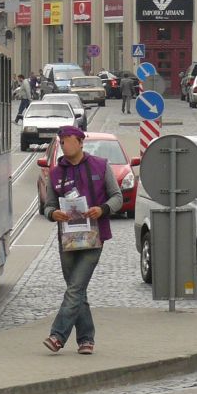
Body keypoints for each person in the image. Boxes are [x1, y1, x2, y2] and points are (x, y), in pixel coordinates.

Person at [40, 125, 123, 355]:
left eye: (66, 139)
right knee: (77, 289)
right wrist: (52, 214)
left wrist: (103, 209)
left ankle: (57, 336)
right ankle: (86, 340)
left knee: (75, 288)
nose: (63, 144)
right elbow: (48, 205)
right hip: (67, 239)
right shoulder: (56, 173)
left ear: (79, 141)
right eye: (61, 140)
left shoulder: (100, 165)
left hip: (94, 237)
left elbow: (118, 196)